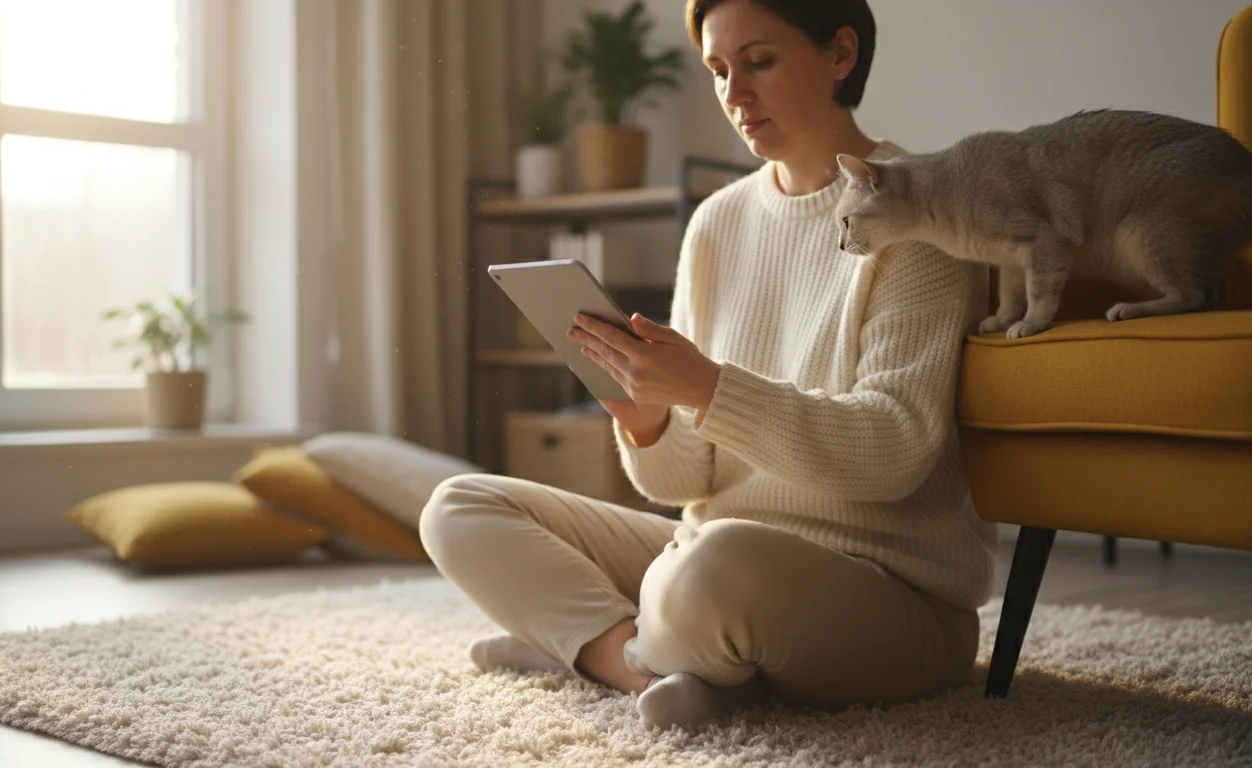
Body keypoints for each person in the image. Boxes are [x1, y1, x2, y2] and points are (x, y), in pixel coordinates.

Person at [419, 0, 999, 732]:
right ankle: (646, 661)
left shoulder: (918, 215)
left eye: (759, 62)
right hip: (708, 558)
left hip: (889, 595)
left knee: (707, 570)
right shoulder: (717, 223)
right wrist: (648, 421)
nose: (735, 94)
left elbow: (893, 453)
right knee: (459, 506)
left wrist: (712, 389)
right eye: (720, 70)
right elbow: (684, 485)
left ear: (840, 54)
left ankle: (588, 645)